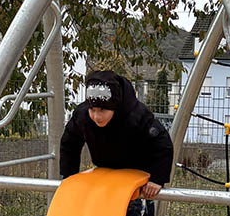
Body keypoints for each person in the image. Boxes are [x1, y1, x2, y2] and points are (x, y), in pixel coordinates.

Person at [60, 70, 173, 200]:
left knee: (134, 208)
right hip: (104, 172)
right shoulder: (83, 116)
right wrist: (69, 176)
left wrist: (157, 179)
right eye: (92, 109)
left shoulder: (137, 116)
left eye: (102, 110)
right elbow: (69, 143)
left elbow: (162, 143)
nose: (97, 116)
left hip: (136, 175)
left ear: (115, 106)